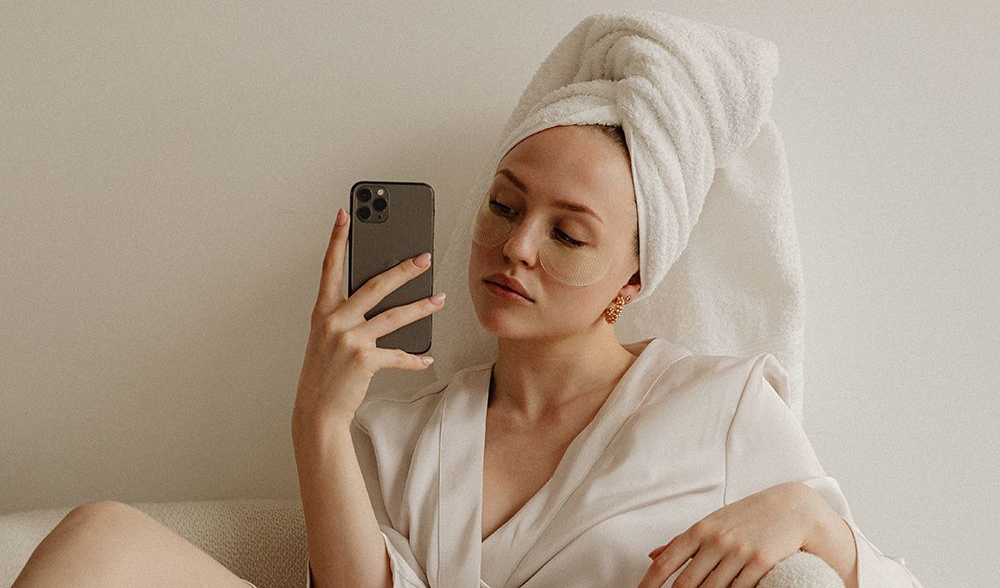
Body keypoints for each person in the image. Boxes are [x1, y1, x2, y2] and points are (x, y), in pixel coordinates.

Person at [293, 122, 924, 588]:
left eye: (568, 235)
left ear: (633, 281)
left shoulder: (720, 407)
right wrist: (318, 421)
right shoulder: (393, 435)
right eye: (504, 208)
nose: (516, 246)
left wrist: (810, 517)